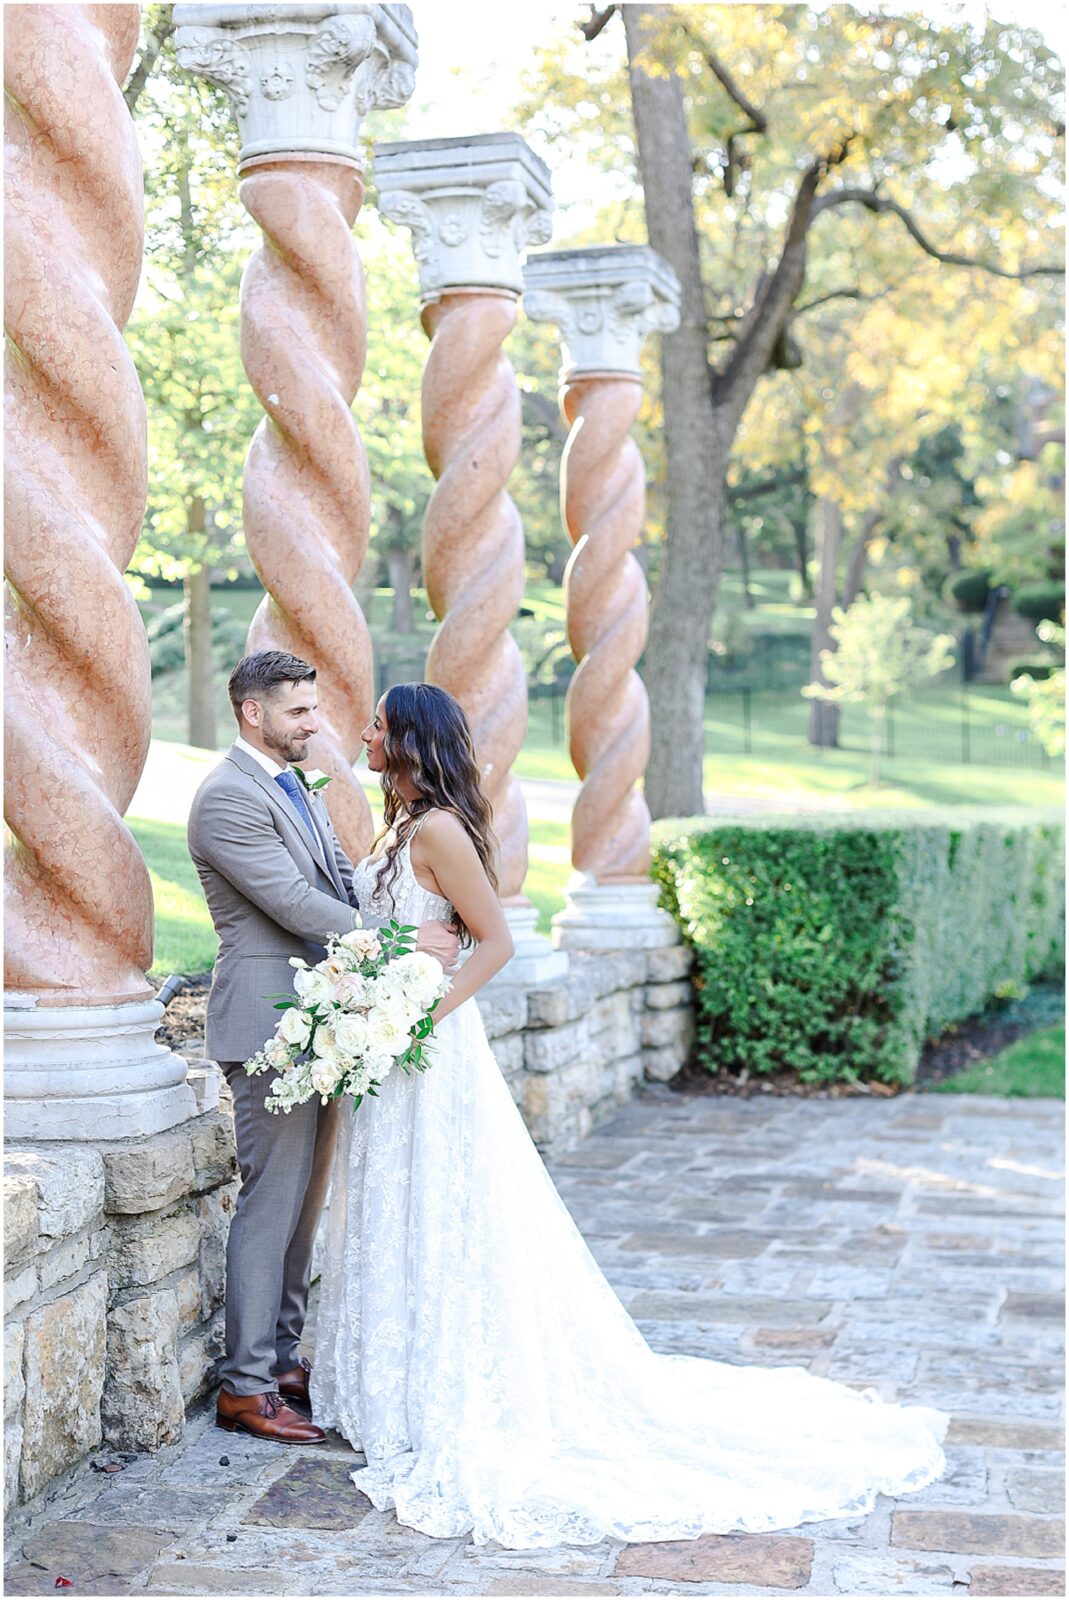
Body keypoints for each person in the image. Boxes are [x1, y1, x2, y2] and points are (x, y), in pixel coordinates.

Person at [311, 682, 948, 1549]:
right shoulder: (396, 826)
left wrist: (420, 1015)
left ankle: (448, 1386)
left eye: (380, 725)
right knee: (394, 1201)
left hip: (426, 1045)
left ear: (412, 739)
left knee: (442, 1203)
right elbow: (405, 923)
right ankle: (386, 1379)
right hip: (385, 1040)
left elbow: (491, 941)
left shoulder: (439, 831)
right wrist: (379, 965)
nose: (367, 734)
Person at [187, 653, 457, 1445]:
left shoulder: (290, 786)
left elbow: (340, 881)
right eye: (298, 712)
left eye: (314, 708)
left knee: (306, 1206)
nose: (315, 725)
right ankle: (243, 1387)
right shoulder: (226, 800)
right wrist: (406, 937)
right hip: (268, 1026)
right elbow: (296, 904)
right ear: (252, 712)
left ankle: (279, 1359)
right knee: (271, 1205)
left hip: (324, 1022)